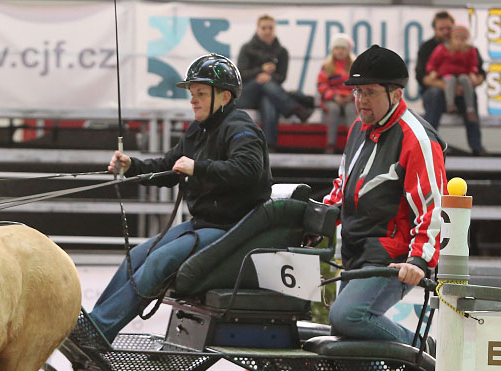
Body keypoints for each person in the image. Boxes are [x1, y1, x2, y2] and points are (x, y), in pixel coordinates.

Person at [67, 54, 272, 351]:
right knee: (137, 255)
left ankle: (99, 331)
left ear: (224, 96)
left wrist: (198, 168)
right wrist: (131, 166)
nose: (193, 101)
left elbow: (249, 171)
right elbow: (167, 166)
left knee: (160, 261)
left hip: (234, 230)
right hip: (203, 224)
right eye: (192, 94)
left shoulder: (241, 127)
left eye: (201, 94)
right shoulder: (197, 131)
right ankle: (96, 326)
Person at [323, 44, 444, 354]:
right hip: (355, 249)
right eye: (357, 92)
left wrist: (418, 260)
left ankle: (420, 349)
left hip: (394, 258)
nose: (361, 101)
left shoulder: (417, 139)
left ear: (396, 94)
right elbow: (342, 187)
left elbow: (432, 207)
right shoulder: (358, 130)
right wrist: (317, 221)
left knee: (347, 317)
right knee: (352, 346)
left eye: (370, 92)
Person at [235, 14, 314, 151]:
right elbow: (240, 74)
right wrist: (260, 72)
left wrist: (268, 77)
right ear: (257, 29)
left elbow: (282, 77)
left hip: (269, 93)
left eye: (270, 28)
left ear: (274, 29)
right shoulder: (246, 48)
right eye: (264, 27)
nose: (267, 31)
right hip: (247, 94)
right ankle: (295, 108)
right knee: (264, 83)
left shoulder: (282, 52)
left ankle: (269, 145)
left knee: (268, 99)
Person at [416, 11, 486, 155]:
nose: (446, 32)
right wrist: (445, 85)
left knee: (471, 96)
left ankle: (476, 146)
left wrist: (471, 82)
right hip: (436, 94)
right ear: (435, 30)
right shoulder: (428, 48)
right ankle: (429, 144)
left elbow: (480, 73)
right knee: (436, 94)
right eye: (442, 29)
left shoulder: (468, 48)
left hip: (461, 93)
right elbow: (422, 77)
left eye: (448, 28)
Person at [426, 24, 481, 120]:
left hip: (462, 75)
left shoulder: (470, 51)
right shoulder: (442, 49)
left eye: (463, 40)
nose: (460, 42)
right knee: (450, 80)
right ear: (451, 38)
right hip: (446, 74)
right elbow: (433, 62)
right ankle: (450, 104)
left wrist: (473, 73)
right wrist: (432, 71)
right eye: (457, 38)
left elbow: (473, 64)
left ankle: (470, 109)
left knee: (466, 81)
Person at [316, 34, 356, 154]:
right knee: (333, 110)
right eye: (337, 48)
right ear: (332, 50)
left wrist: (352, 96)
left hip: (350, 100)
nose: (340, 51)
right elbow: (321, 85)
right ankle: (330, 144)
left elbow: (359, 86)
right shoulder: (326, 66)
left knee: (351, 111)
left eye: (343, 48)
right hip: (331, 100)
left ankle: (352, 145)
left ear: (348, 50)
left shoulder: (354, 66)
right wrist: (334, 96)